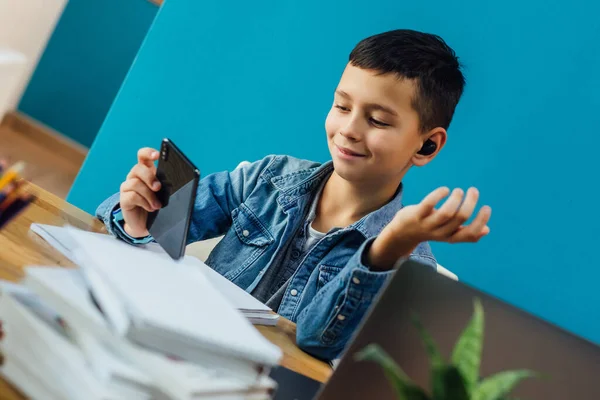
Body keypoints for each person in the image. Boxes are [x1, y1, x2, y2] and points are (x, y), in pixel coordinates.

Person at [96, 29, 491, 361]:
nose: (348, 129)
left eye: (377, 120)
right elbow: (152, 236)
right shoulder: (268, 178)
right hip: (172, 351)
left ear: (426, 146)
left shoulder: (408, 265)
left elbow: (319, 342)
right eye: (341, 106)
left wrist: (384, 251)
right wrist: (136, 215)